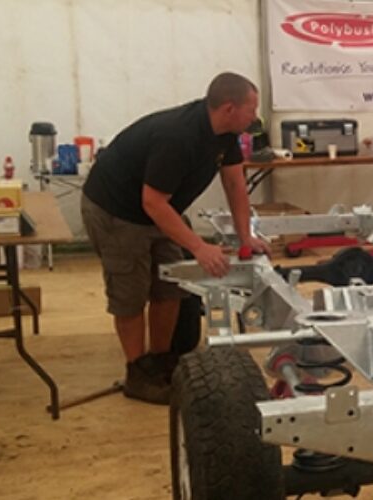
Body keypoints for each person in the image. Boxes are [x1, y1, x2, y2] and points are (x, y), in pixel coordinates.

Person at [80, 72, 269, 404]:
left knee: (170, 286)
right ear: (228, 108)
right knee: (131, 292)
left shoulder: (226, 134)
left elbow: (235, 184)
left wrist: (246, 237)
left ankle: (162, 360)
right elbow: (151, 201)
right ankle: (138, 374)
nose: (255, 117)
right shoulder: (179, 137)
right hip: (117, 210)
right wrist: (199, 247)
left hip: (160, 209)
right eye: (251, 109)